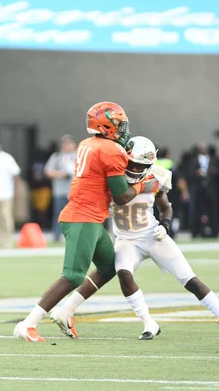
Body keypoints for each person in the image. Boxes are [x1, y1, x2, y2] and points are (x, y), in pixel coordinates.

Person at [14, 101, 161, 342]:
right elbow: (122, 196)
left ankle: (66, 312)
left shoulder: (87, 144)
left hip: (89, 215)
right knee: (73, 276)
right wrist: (143, 184)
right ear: (106, 126)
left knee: (108, 267)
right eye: (119, 125)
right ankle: (28, 323)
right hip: (84, 217)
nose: (124, 130)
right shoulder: (111, 150)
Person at [51, 136, 219, 340]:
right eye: (134, 165)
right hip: (126, 240)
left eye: (142, 166)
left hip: (153, 236)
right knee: (123, 274)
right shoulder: (112, 178)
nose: (137, 170)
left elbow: (165, 207)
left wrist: (165, 226)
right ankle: (149, 323)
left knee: (189, 279)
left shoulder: (155, 177)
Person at [45, 135, 77, 242]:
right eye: (65, 143)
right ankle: (57, 236)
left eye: (69, 143)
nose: (67, 146)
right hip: (60, 191)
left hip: (75, 191)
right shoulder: (57, 156)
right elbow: (48, 172)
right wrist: (61, 174)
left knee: (75, 215)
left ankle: (73, 235)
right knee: (58, 214)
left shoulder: (79, 156)